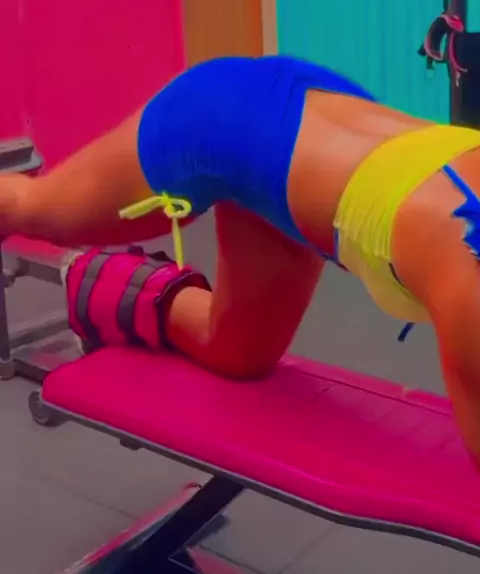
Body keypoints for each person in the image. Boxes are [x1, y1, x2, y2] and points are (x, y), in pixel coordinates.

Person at [1, 54, 480, 469]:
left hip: (307, 136)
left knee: (238, 355)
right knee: (32, 208)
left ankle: (113, 284)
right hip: (214, 120)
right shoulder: (468, 283)